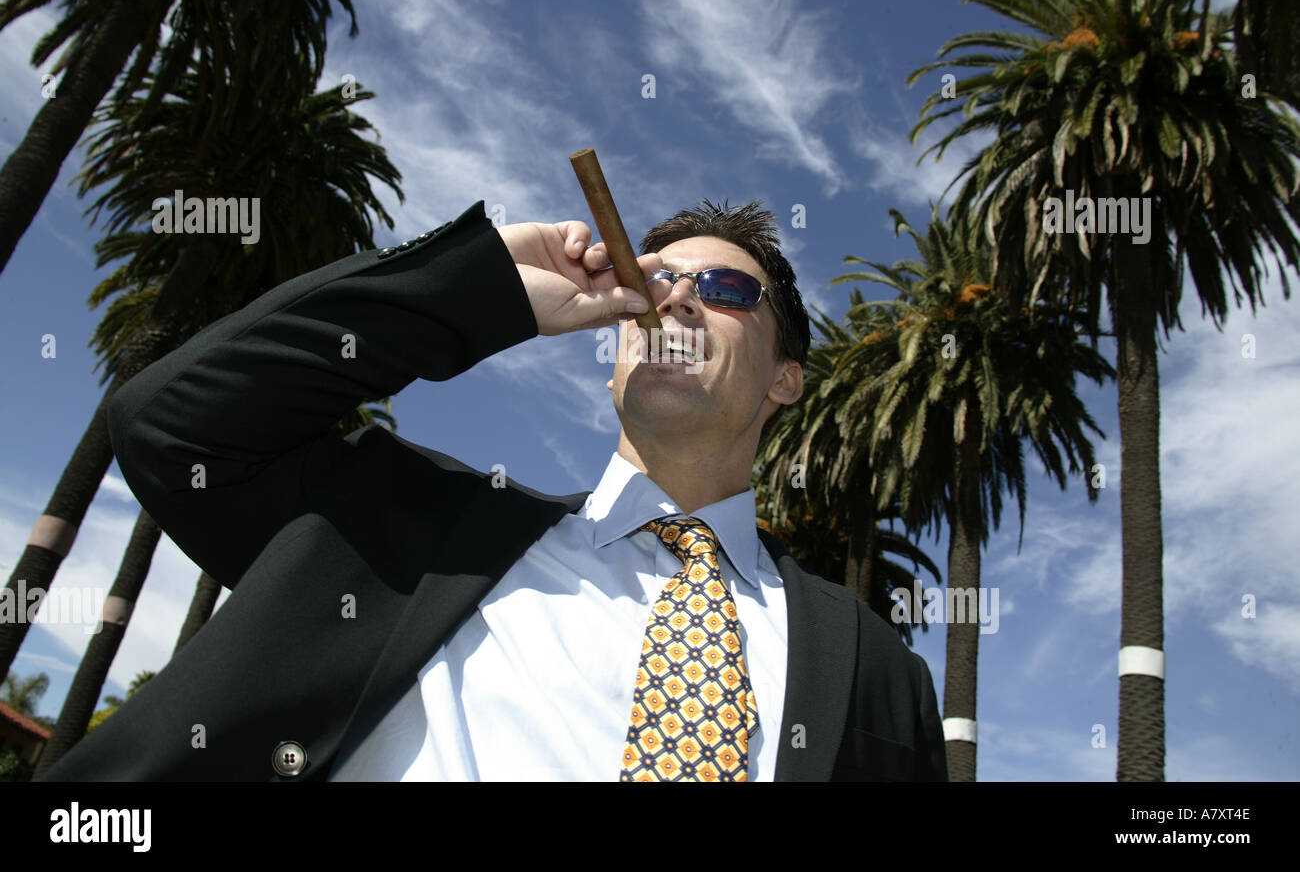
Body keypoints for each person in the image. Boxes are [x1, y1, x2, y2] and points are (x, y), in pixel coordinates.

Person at [42, 198, 947, 782]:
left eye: (719, 288)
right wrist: (483, 288)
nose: (673, 300)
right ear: (614, 355)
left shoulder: (876, 672)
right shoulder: (402, 526)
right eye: (655, 278)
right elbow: (170, 422)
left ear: (787, 378)